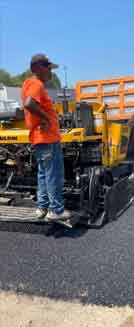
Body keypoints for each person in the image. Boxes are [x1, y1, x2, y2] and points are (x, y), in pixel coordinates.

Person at [21, 53, 70, 221]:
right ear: (38, 68)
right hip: (48, 138)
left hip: (40, 139)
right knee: (54, 174)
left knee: (43, 174)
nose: (51, 72)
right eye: (49, 68)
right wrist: (47, 118)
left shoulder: (28, 83)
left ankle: (42, 207)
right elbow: (29, 103)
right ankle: (56, 210)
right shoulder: (36, 84)